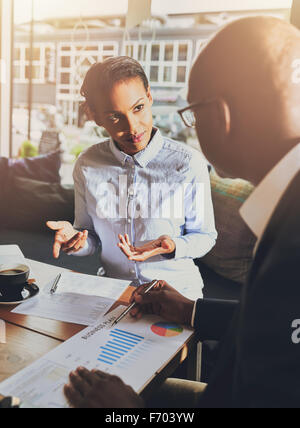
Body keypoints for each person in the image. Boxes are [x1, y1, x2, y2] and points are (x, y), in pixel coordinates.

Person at [64, 16, 300, 408]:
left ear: (220, 117)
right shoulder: (285, 211)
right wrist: (192, 310)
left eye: (194, 114)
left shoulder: (290, 230)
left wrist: (134, 414)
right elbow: (275, 329)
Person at [47, 56, 217, 299]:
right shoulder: (87, 165)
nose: (133, 127)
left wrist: (174, 246)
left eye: (138, 108)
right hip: (114, 294)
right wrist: (76, 240)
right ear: (94, 115)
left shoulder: (188, 163)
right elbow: (90, 237)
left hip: (179, 294)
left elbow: (205, 236)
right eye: (115, 117)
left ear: (149, 97)